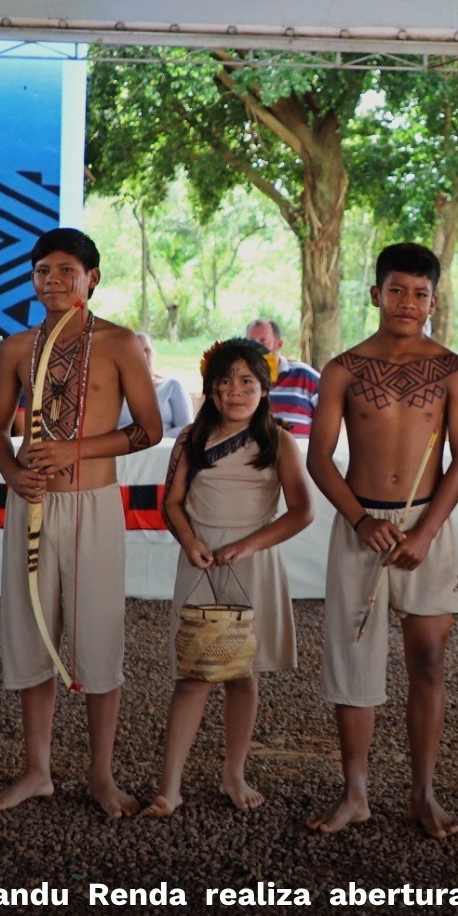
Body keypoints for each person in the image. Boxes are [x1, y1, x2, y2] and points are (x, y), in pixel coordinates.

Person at [0, 228, 163, 819]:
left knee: (97, 639)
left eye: (67, 271)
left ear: (93, 278)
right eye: (43, 271)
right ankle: (37, 771)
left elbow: (149, 429)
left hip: (93, 506)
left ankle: (101, 776)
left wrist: (75, 451)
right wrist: (14, 473)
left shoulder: (117, 344)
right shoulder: (16, 346)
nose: (54, 281)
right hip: (31, 505)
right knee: (31, 636)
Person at [307, 242, 458, 838]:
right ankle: (355, 793)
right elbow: (320, 459)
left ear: (434, 299)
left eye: (421, 293)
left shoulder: (454, 369)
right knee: (354, 660)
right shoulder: (344, 369)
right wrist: (360, 520)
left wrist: (428, 531)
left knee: (429, 662)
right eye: (397, 290)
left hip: (427, 529)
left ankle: (423, 793)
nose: (409, 303)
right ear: (375, 293)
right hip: (362, 528)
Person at [147, 337, 312, 816]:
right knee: (193, 675)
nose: (235, 392)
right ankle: (169, 786)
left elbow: (302, 511)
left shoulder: (279, 441)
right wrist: (190, 540)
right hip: (199, 562)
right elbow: (171, 503)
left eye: (246, 382)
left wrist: (248, 544)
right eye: (224, 382)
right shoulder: (189, 439)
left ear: (264, 387)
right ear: (210, 390)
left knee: (242, 674)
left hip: (252, 563)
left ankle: (233, 773)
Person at [247, 317, 322, 437]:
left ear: (279, 344)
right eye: (251, 342)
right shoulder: (239, 381)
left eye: (263, 342)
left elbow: (334, 420)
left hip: (303, 453)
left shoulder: (305, 375)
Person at [120, 330, 194, 435]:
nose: (143, 356)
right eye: (136, 351)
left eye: (147, 350)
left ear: (153, 354)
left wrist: (153, 438)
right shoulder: (113, 390)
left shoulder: (172, 386)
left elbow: (187, 428)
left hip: (164, 448)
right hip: (124, 449)